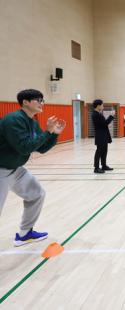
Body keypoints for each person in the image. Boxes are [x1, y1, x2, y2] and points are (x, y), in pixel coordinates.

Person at [0, 89, 66, 246]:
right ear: (25, 102)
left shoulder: (32, 121)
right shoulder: (13, 120)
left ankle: (25, 233)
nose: (42, 103)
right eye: (38, 100)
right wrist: (47, 131)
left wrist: (53, 134)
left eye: (43, 100)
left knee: (36, 194)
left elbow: (41, 148)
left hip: (15, 169)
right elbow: (24, 148)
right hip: (1, 169)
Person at [92, 99, 115, 173]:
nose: (103, 106)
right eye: (102, 105)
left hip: (104, 135)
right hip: (100, 136)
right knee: (99, 151)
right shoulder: (95, 114)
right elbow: (104, 124)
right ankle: (96, 168)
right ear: (98, 105)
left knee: (104, 151)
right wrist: (111, 116)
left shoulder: (99, 113)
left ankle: (104, 165)